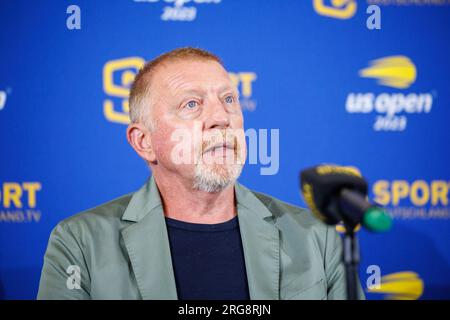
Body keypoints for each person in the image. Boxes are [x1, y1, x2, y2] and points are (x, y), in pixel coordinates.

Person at [37, 47, 364, 300]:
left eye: (229, 99)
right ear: (144, 142)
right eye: (191, 104)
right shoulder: (79, 242)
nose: (221, 118)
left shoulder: (315, 236)